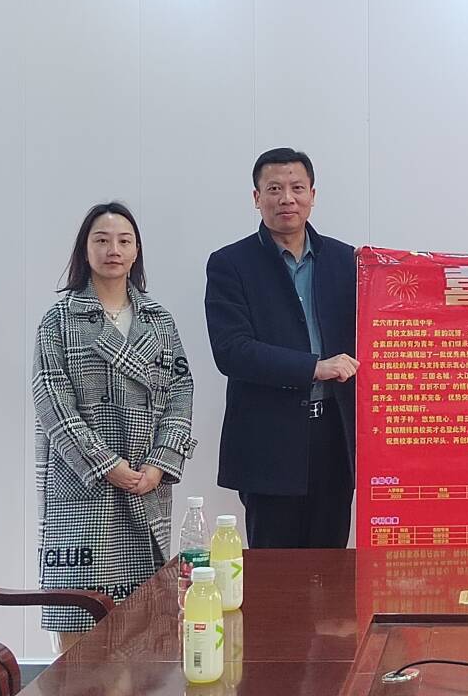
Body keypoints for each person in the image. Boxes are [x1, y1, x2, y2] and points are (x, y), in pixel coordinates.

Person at [33, 201, 196, 650]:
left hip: (146, 482)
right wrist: (107, 465)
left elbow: (181, 391)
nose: (113, 250)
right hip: (84, 484)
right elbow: (52, 403)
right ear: (84, 249)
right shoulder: (59, 320)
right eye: (102, 240)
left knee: (147, 626)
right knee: (81, 620)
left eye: (124, 241)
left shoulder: (158, 320)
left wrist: (160, 463)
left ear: (136, 250)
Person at [205, 147, 358, 549]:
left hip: (335, 438)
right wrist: (314, 367)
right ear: (257, 198)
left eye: (296, 188)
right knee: (274, 571)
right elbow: (231, 350)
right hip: (269, 441)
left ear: (312, 195)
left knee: (331, 566)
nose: (286, 198)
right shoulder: (230, 264)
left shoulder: (346, 260)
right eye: (274, 189)